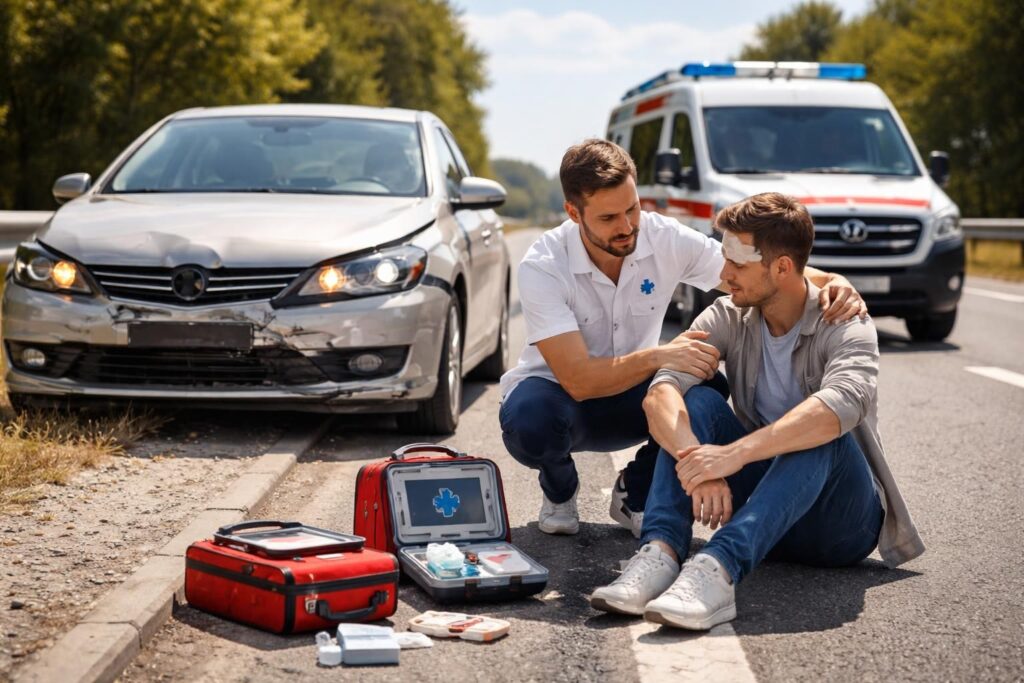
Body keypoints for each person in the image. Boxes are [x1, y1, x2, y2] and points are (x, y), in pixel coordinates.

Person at [498, 140, 868, 537]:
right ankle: (559, 489)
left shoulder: (663, 237)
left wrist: (832, 280)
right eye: (608, 218)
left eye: (632, 209)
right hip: (561, 401)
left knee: (705, 380)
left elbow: (748, 272)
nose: (626, 227)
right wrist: (660, 356)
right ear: (574, 213)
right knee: (529, 419)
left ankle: (634, 492)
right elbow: (579, 381)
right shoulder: (543, 266)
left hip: (630, 399)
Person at [589, 192, 925, 629]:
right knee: (698, 400)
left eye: (737, 264)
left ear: (782, 267)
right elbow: (660, 394)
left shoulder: (845, 321)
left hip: (839, 526)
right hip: (765, 509)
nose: (723, 274)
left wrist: (731, 456)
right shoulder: (728, 314)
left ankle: (718, 569)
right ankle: (660, 553)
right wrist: (700, 462)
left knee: (820, 427)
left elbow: (842, 404)